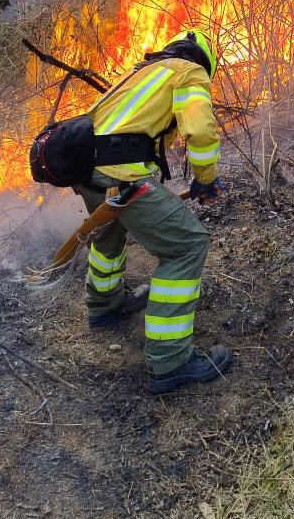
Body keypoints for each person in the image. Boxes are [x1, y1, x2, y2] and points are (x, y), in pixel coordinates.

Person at [74, 29, 232, 393]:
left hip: (85, 168)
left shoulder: (141, 72)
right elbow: (201, 130)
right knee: (186, 246)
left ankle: (104, 304)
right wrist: (206, 179)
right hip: (120, 171)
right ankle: (170, 361)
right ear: (202, 59)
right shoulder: (188, 71)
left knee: (109, 232)